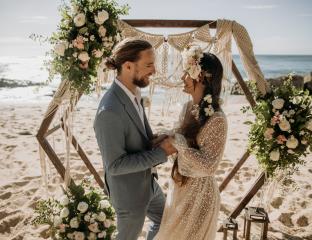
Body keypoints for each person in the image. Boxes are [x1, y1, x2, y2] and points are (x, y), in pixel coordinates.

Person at [94, 39, 177, 240]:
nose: (154, 71)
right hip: (129, 196)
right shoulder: (109, 111)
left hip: (148, 184)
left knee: (164, 220)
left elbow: (138, 137)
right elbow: (114, 165)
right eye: (149, 65)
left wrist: (156, 140)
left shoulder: (134, 94)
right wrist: (162, 152)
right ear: (128, 66)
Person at [155, 52, 228, 240]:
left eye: (187, 71)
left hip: (201, 195)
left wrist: (177, 141)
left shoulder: (218, 119)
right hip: (180, 188)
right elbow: (181, 154)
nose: (182, 77)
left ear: (201, 77)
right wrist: (166, 142)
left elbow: (209, 166)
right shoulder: (187, 108)